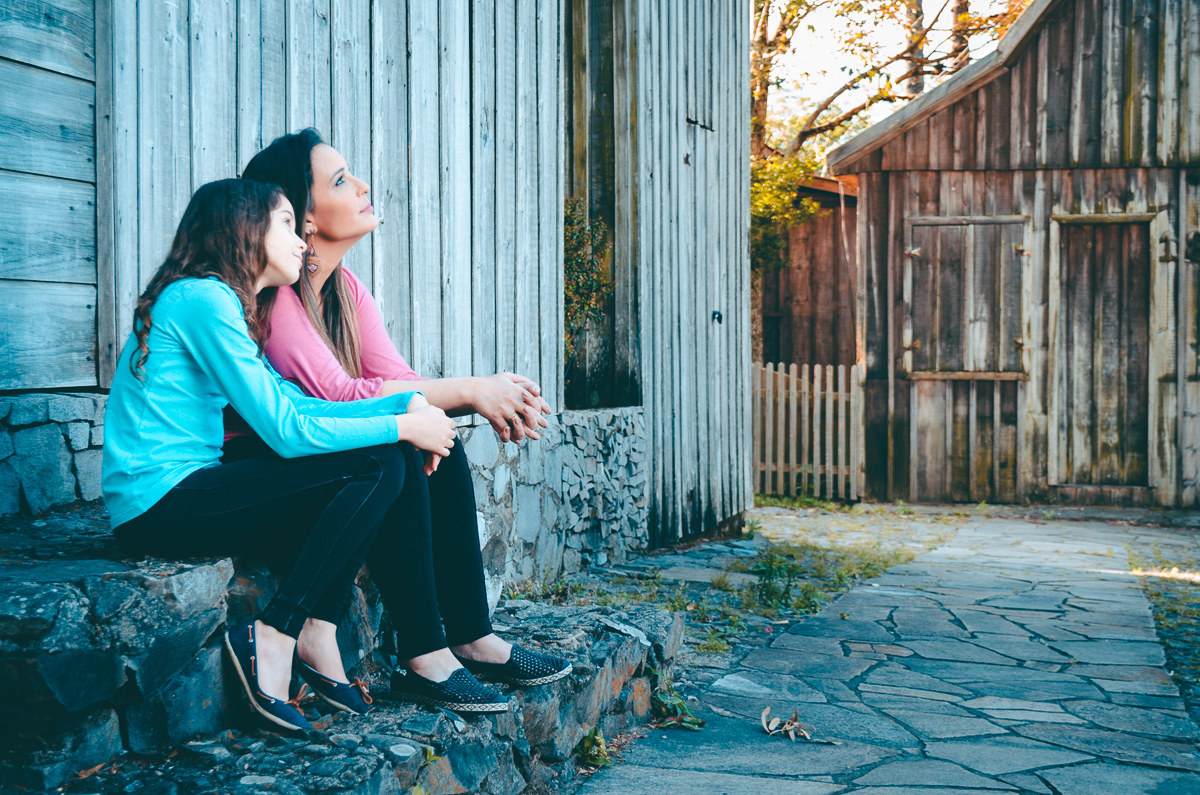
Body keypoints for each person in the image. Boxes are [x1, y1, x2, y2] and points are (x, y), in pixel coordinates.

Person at [102, 180, 567, 732]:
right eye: (283, 224)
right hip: (160, 503)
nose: (301, 241)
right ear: (243, 230)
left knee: (391, 455)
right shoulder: (203, 299)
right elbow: (284, 429)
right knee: (381, 460)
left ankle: (328, 629)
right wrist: (401, 423)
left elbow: (296, 402)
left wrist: (407, 405)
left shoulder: (221, 302)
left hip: (187, 492)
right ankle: (277, 632)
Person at [234, 130, 565, 708]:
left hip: (316, 450)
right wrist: (462, 393)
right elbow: (338, 395)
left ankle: (471, 635)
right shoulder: (278, 299)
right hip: (260, 464)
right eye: (340, 181)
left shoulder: (346, 291)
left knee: (438, 439)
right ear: (302, 218)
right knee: (399, 447)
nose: (361, 186)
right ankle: (424, 654)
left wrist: (454, 403)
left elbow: (396, 381)